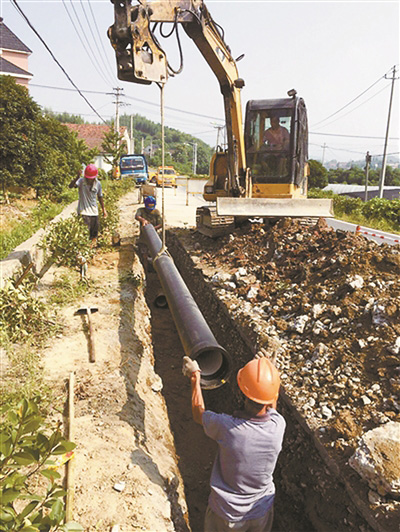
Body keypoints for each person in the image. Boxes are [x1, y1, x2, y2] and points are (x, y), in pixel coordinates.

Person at [182, 352, 285, 532]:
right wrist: (269, 375)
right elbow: (270, 403)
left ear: (242, 391)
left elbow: (199, 414)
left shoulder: (228, 428)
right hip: (261, 511)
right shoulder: (278, 426)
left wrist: (195, 376)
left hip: (228, 515)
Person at [69, 164, 107, 246]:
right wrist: (77, 177)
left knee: (94, 236)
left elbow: (100, 197)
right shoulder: (81, 181)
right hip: (83, 212)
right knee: (84, 236)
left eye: (91, 179)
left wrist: (104, 210)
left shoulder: (98, 184)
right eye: (88, 178)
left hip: (94, 212)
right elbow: (71, 186)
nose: (90, 180)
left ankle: (92, 252)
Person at [135, 195, 162, 270]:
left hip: (154, 238)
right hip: (143, 238)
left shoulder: (156, 212)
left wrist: (153, 229)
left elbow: (161, 224)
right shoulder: (141, 210)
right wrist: (143, 220)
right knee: (144, 255)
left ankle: (155, 269)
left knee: (156, 254)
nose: (150, 210)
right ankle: (145, 270)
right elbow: (137, 216)